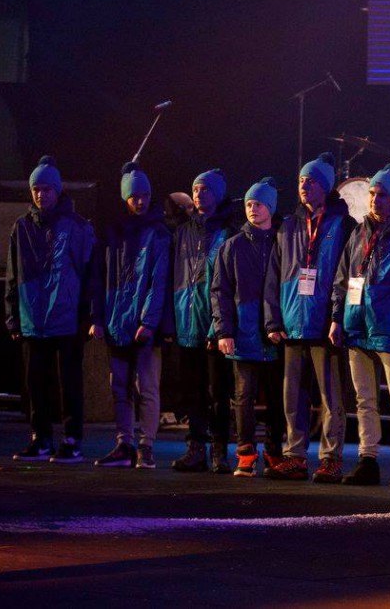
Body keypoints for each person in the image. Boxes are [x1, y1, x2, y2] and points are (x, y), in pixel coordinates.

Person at [330, 163, 390, 489]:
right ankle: (367, 459)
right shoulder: (359, 232)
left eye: (382, 194)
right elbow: (343, 279)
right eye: (372, 193)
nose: (375, 199)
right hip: (357, 326)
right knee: (365, 400)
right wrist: (337, 317)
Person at [265, 153, 355, 483]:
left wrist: (338, 317)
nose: (304, 186)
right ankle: (296, 456)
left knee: (332, 396)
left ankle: (331, 458)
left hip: (324, 323)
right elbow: (273, 275)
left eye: (312, 181)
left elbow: (348, 276)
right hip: (292, 322)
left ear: (326, 187)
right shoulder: (289, 225)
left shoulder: (343, 225)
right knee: (293, 396)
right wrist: (273, 321)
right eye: (302, 180)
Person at [6, 155, 96, 463]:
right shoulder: (21, 228)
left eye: (46, 189)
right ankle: (40, 438)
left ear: (57, 191)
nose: (41, 195)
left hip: (67, 317)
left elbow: (89, 273)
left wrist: (87, 315)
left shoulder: (77, 226)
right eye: (36, 189)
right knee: (36, 383)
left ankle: (72, 440)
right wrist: (13, 317)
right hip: (33, 317)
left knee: (69, 382)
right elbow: (13, 275)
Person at [90, 162, 170, 469]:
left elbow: (158, 281)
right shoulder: (114, 233)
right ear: (125, 198)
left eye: (145, 195)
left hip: (144, 326)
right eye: (135, 196)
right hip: (116, 322)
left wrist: (148, 321)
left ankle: (146, 445)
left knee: (146, 387)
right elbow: (100, 278)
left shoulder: (158, 233)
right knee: (120, 386)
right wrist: (98, 318)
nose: (140, 201)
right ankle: (124, 443)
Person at [211, 177, 284, 478]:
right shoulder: (232, 246)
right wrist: (224, 331)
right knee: (243, 397)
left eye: (259, 204)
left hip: (275, 334)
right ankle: (245, 453)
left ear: (271, 207)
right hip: (244, 332)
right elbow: (220, 291)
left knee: (277, 397)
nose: (253, 209)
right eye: (249, 204)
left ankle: (274, 452)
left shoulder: (281, 242)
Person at [170, 168, 237, 473]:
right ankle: (196, 447)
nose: (198, 195)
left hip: (214, 325)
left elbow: (229, 283)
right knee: (192, 391)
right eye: (196, 189)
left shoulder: (228, 232)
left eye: (205, 189)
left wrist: (219, 325)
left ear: (218, 194)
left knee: (218, 391)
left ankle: (220, 450)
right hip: (187, 322)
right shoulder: (183, 231)